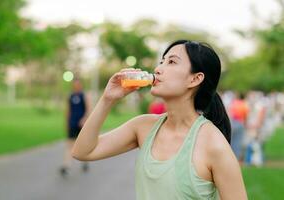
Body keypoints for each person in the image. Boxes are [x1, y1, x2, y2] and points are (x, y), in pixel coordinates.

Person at [72, 40, 247, 199]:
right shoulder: (143, 127)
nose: (158, 69)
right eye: (162, 61)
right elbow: (83, 151)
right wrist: (107, 99)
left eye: (171, 62)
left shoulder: (214, 145)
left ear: (195, 79)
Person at [60, 79, 91, 177]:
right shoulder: (71, 96)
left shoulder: (84, 96)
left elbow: (89, 109)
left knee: (83, 145)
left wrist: (84, 119)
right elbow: (68, 110)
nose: (76, 86)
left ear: (81, 85)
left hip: (81, 124)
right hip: (73, 124)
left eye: (78, 84)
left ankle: (85, 161)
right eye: (75, 84)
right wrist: (67, 123)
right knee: (70, 145)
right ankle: (66, 166)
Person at [229, 92, 249, 163]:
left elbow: (230, 113)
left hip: (233, 122)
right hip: (240, 123)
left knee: (232, 140)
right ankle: (236, 158)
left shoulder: (234, 103)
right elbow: (246, 115)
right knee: (238, 141)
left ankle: (230, 156)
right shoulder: (244, 104)